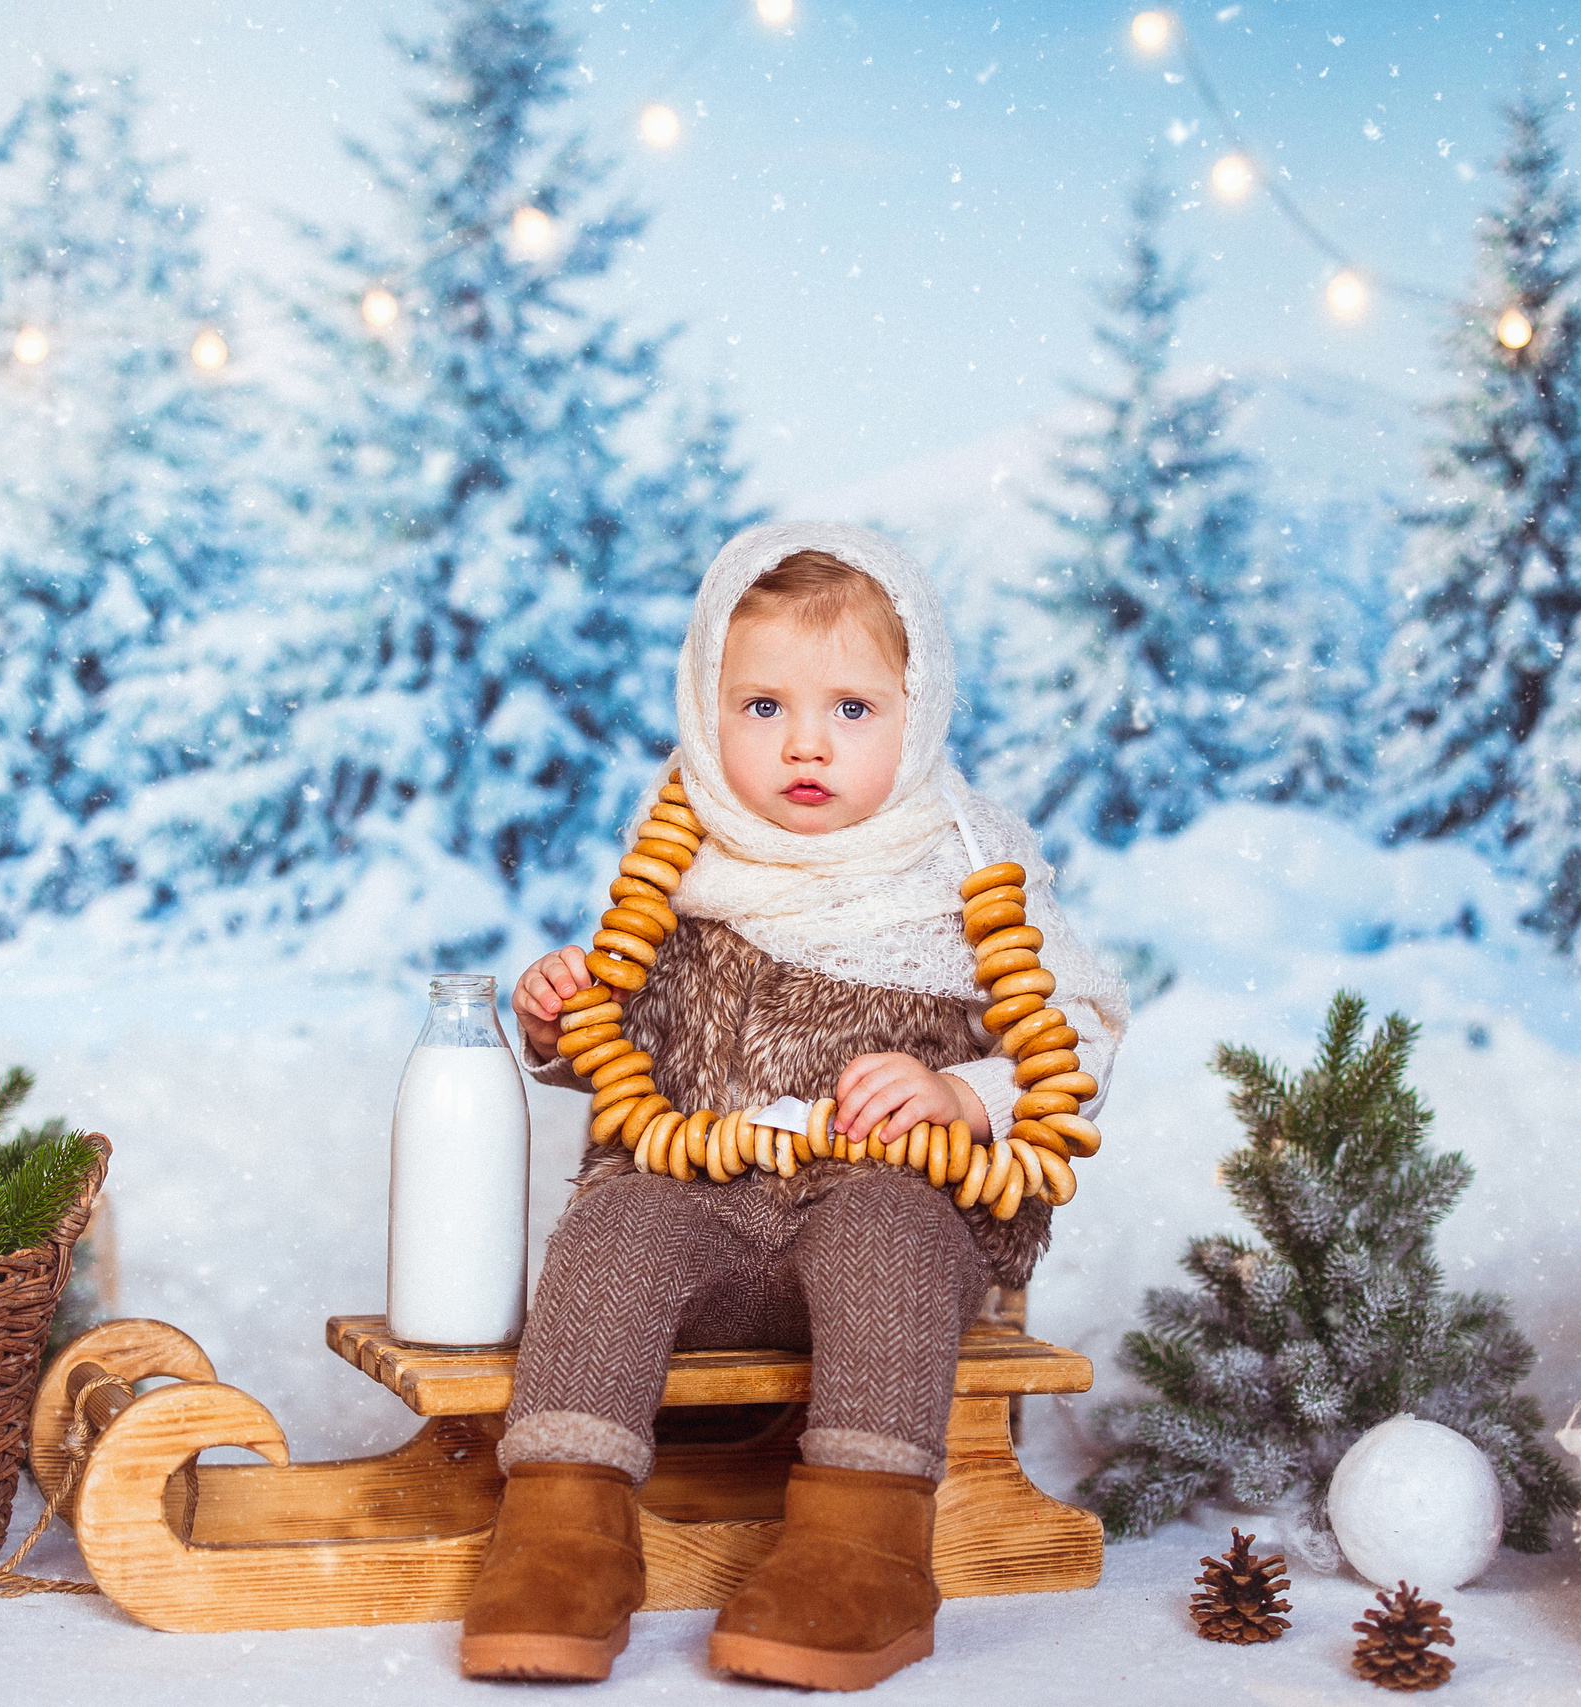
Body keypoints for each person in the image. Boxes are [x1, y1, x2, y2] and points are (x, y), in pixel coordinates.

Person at [458, 522, 1127, 1690]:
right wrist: (564, 1019)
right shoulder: (680, 862)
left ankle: (862, 1543)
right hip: (701, 1203)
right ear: (704, 705)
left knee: (883, 1234)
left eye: (852, 711)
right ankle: (565, 1530)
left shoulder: (965, 870)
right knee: (613, 1227)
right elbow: (631, 1049)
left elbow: (1080, 1038)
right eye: (761, 706)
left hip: (879, 1207)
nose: (804, 743)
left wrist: (958, 1097)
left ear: (918, 716)